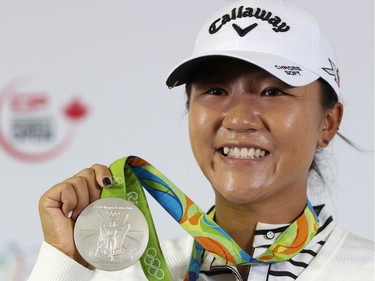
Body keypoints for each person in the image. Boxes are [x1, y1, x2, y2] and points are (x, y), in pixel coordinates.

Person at [28, 0, 374, 280]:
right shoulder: (128, 273)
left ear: (327, 123)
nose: (238, 118)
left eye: (272, 91)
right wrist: (65, 262)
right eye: (215, 90)